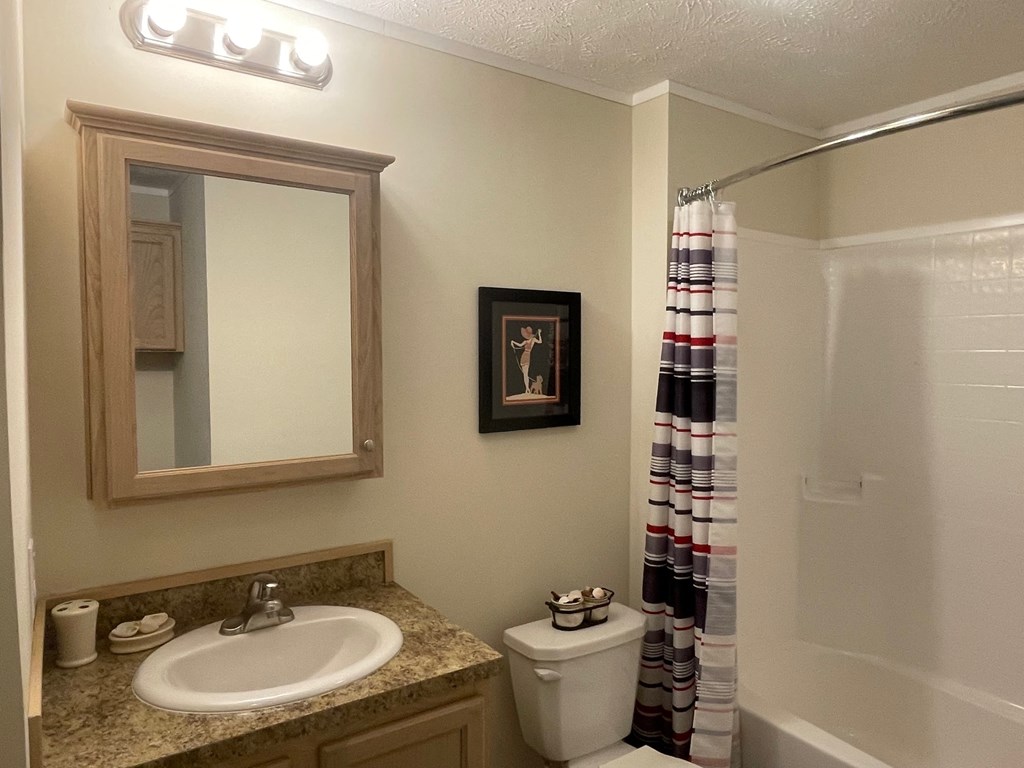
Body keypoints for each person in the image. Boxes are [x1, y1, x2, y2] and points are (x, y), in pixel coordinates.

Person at [510, 325, 543, 394]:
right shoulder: (525, 341)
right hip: (523, 356)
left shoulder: (533, 340)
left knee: (526, 374)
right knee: (525, 374)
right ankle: (527, 388)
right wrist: (513, 342)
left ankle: (527, 389)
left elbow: (540, 341)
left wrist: (539, 334)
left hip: (527, 356)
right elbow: (519, 345)